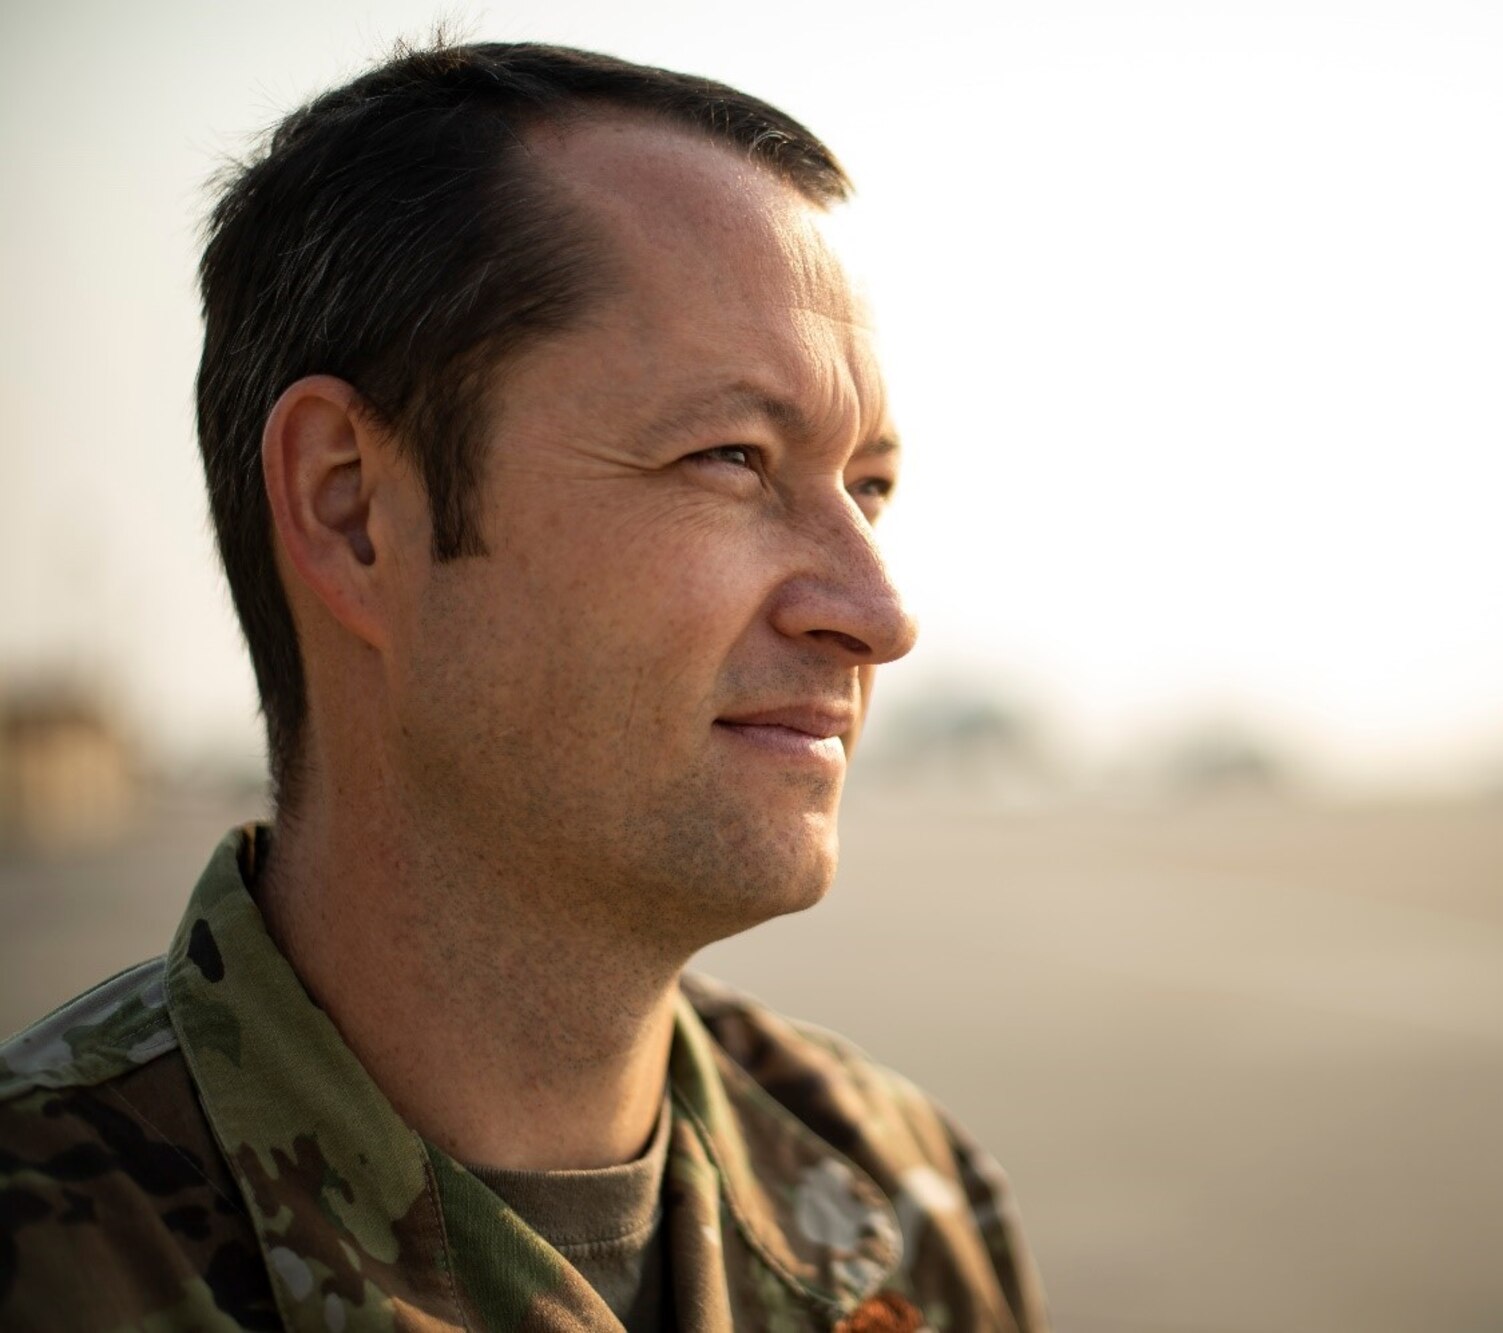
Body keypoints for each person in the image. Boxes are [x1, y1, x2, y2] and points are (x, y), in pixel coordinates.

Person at [0, 40, 1045, 1333]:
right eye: (732, 457)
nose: (878, 613)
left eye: (869, 487)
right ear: (353, 510)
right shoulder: (50, 1262)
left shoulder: (909, 1196)